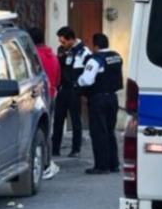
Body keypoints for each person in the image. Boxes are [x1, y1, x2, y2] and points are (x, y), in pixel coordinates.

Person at [77, 32, 123, 175]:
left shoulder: (96, 60)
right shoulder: (116, 57)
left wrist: (78, 83)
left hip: (98, 99)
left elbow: (87, 80)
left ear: (96, 46)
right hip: (113, 98)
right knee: (110, 131)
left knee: (98, 132)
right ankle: (113, 163)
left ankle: (102, 166)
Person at [52, 26, 91, 158]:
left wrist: (84, 92)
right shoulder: (61, 50)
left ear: (72, 39)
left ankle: (76, 149)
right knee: (58, 120)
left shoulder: (84, 51)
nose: (62, 45)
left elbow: (87, 72)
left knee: (75, 121)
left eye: (64, 42)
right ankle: (55, 148)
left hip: (75, 90)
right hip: (62, 89)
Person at [29, 27, 60, 180]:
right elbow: (58, 78)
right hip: (51, 95)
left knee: (35, 131)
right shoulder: (53, 56)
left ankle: (44, 164)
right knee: (47, 130)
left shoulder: (33, 56)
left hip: (36, 97)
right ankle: (47, 162)